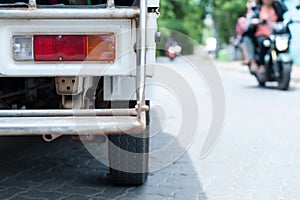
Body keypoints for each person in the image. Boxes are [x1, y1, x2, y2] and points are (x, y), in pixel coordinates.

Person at [246, 0, 287, 73]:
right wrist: (255, 21)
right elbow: (251, 19)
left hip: (275, 34)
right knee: (263, 43)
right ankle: (262, 65)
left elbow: (284, 10)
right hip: (262, 34)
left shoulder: (277, 6)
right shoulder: (258, 8)